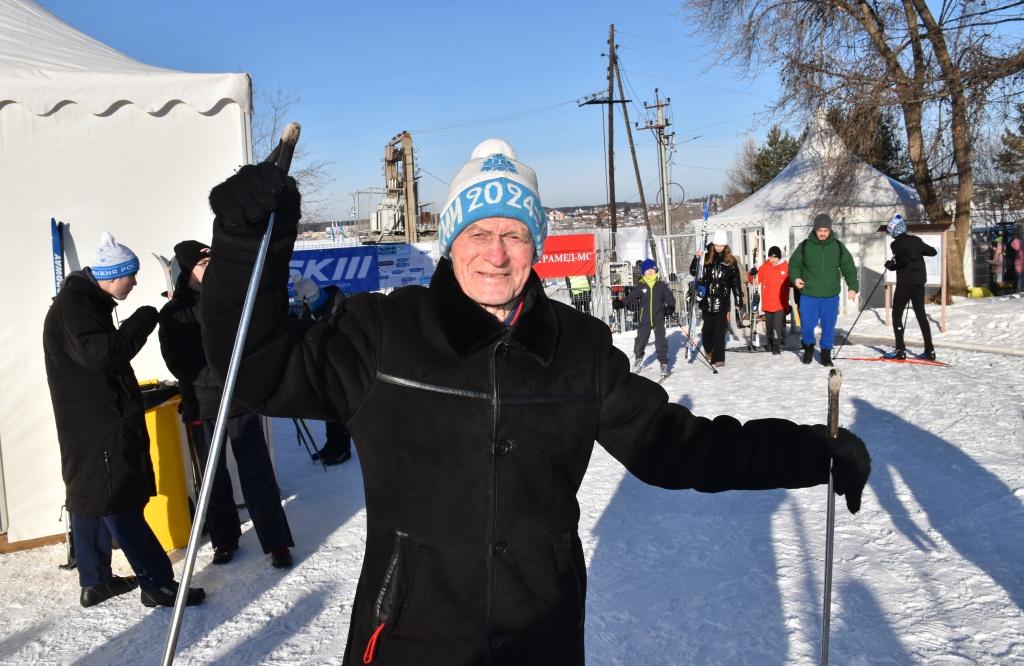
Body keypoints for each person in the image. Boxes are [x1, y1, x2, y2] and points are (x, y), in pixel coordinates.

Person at [200, 138, 870, 666]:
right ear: (451, 242)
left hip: (540, 638)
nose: (496, 254)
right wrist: (243, 247)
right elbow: (256, 371)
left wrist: (810, 452)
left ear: (536, 245)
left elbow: (677, 447)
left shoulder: (578, 349)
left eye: (514, 234)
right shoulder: (385, 334)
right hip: (410, 639)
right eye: (478, 233)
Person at [43, 232, 205, 609]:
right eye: (130, 275)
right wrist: (145, 318)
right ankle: (158, 583)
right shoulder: (77, 306)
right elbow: (106, 356)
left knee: (89, 497)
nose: (134, 282)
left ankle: (95, 581)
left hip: (86, 422)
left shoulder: (83, 302)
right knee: (118, 501)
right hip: (98, 424)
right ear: (112, 275)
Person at [158, 240, 295, 568]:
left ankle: (276, 541)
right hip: (203, 404)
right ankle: (224, 539)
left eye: (212, 264)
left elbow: (251, 343)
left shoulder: (230, 302)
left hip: (239, 401)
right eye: (203, 265)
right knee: (213, 478)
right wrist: (220, 377)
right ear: (187, 271)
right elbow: (179, 362)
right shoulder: (174, 312)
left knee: (257, 472)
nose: (210, 270)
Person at [788, 214, 859, 367]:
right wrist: (796, 278)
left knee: (828, 326)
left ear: (830, 230)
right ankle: (808, 348)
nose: (822, 233)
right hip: (809, 294)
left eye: (825, 230)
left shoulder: (838, 246)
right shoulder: (805, 246)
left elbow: (848, 267)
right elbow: (794, 264)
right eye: (819, 230)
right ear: (815, 230)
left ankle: (826, 354)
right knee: (807, 325)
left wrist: (853, 286)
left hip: (830, 295)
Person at [295, 279, 353, 466]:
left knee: (340, 409)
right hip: (323, 365)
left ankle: (343, 449)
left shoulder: (337, 307)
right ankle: (331, 445)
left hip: (341, 366)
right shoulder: (311, 307)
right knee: (329, 408)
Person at [882, 216, 937, 360]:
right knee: (921, 315)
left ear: (894, 231)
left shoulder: (895, 244)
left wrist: (891, 265)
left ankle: (900, 349)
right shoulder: (916, 240)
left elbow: (903, 263)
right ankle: (930, 350)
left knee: (897, 314)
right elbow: (932, 252)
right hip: (919, 283)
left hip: (905, 283)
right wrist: (918, 252)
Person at [689, 230, 744, 367]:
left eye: (722, 245)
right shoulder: (706, 257)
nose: (719, 248)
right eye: (717, 245)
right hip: (707, 299)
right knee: (708, 329)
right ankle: (708, 349)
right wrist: (697, 258)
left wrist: (738, 299)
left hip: (722, 300)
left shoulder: (730, 261)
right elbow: (694, 271)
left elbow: (736, 282)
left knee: (719, 330)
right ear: (714, 244)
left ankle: (719, 357)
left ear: (725, 245)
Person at [623, 258, 675, 375]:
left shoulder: (661, 285)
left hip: (658, 318)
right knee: (640, 340)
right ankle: (638, 357)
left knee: (660, 341)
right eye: (647, 270)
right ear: (643, 273)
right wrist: (622, 303)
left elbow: (670, 297)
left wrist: (671, 306)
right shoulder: (641, 286)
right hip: (645, 319)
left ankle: (663, 363)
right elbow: (631, 297)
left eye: (652, 269)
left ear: (656, 270)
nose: (650, 272)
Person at [755, 246, 791, 355]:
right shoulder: (764, 267)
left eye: (775, 257)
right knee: (769, 327)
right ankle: (770, 344)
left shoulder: (785, 267)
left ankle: (776, 347)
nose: (773, 259)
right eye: (771, 257)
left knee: (777, 326)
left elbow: (793, 279)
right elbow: (755, 281)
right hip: (768, 303)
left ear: (779, 257)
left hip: (780, 303)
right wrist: (752, 274)